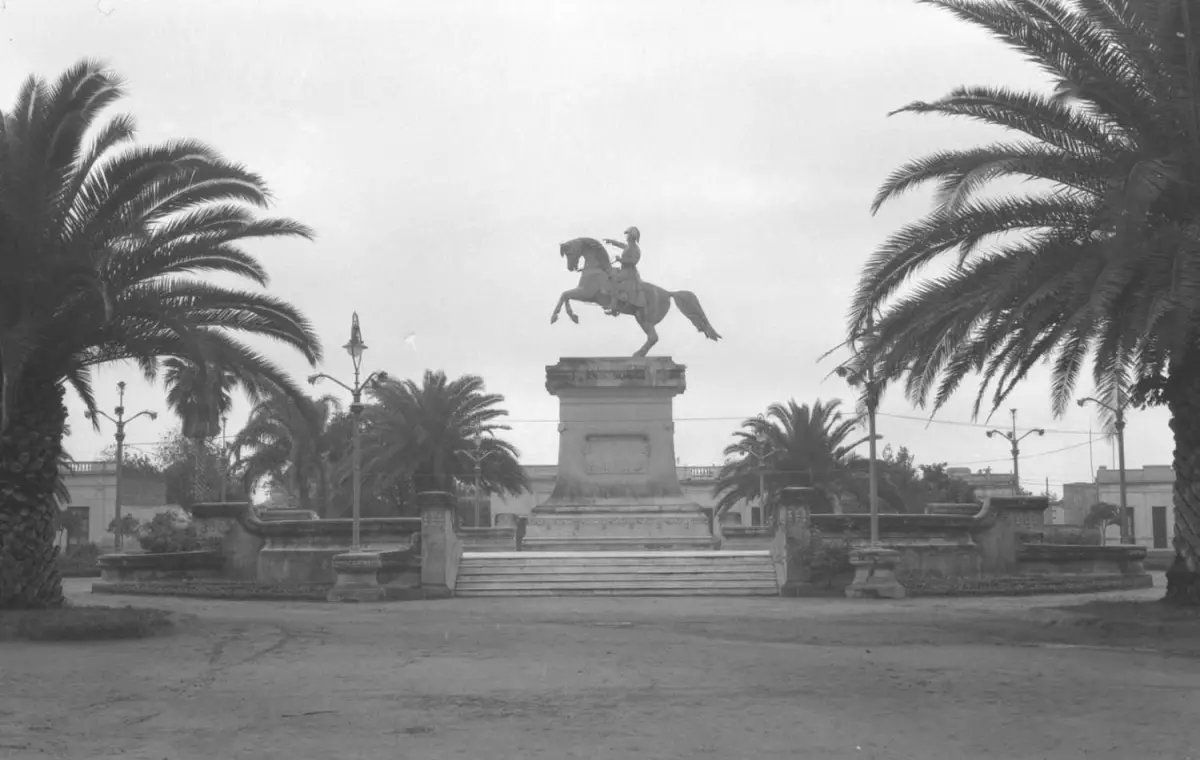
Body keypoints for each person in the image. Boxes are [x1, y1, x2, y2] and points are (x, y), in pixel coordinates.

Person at [602, 226, 643, 316]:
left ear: (631, 237)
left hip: (629, 272)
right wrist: (611, 241)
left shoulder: (635, 249)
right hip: (624, 270)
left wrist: (621, 260)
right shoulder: (629, 246)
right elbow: (620, 245)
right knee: (609, 273)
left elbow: (633, 261)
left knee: (614, 280)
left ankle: (614, 307)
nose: (626, 237)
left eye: (628, 235)